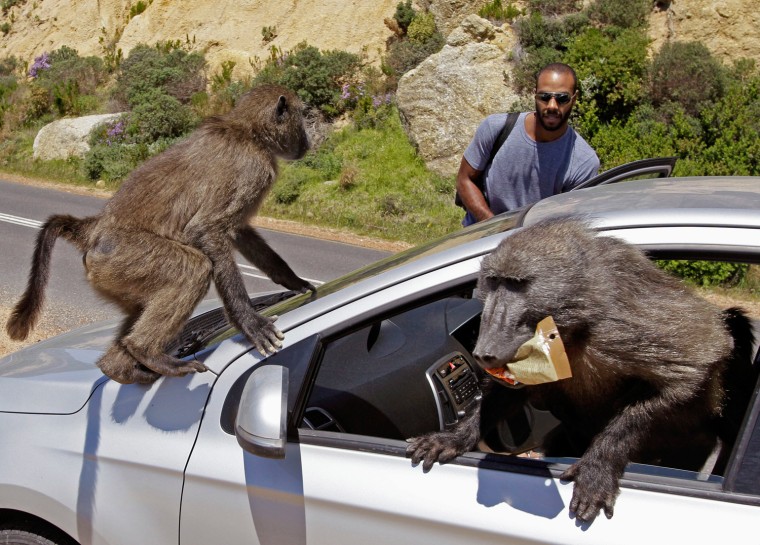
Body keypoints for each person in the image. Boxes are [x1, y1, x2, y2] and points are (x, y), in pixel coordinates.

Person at [457, 62, 600, 226]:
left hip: (535, 245)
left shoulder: (583, 161)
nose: (552, 106)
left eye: (562, 98)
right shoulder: (496, 128)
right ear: (535, 95)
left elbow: (571, 223)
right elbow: (465, 179)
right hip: (481, 235)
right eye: (545, 97)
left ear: (574, 99)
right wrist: (493, 227)